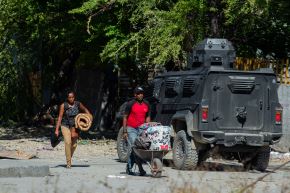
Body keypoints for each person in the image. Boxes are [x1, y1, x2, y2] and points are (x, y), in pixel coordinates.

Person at [55, 90, 91, 168]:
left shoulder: (78, 104)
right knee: (68, 142)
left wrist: (89, 116)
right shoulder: (63, 105)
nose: (71, 99)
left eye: (72, 97)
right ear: (67, 98)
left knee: (74, 145)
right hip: (65, 125)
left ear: (74, 97)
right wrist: (57, 130)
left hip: (75, 126)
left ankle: (69, 157)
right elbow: (60, 117)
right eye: (69, 97)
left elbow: (84, 109)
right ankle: (68, 163)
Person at [123, 86, 151, 176]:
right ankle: (140, 168)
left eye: (142, 93)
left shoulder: (146, 104)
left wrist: (148, 126)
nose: (140, 95)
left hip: (142, 129)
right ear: (135, 95)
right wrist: (124, 131)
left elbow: (148, 116)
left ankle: (129, 167)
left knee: (139, 148)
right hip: (131, 128)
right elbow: (125, 117)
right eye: (138, 93)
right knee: (135, 147)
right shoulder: (130, 104)